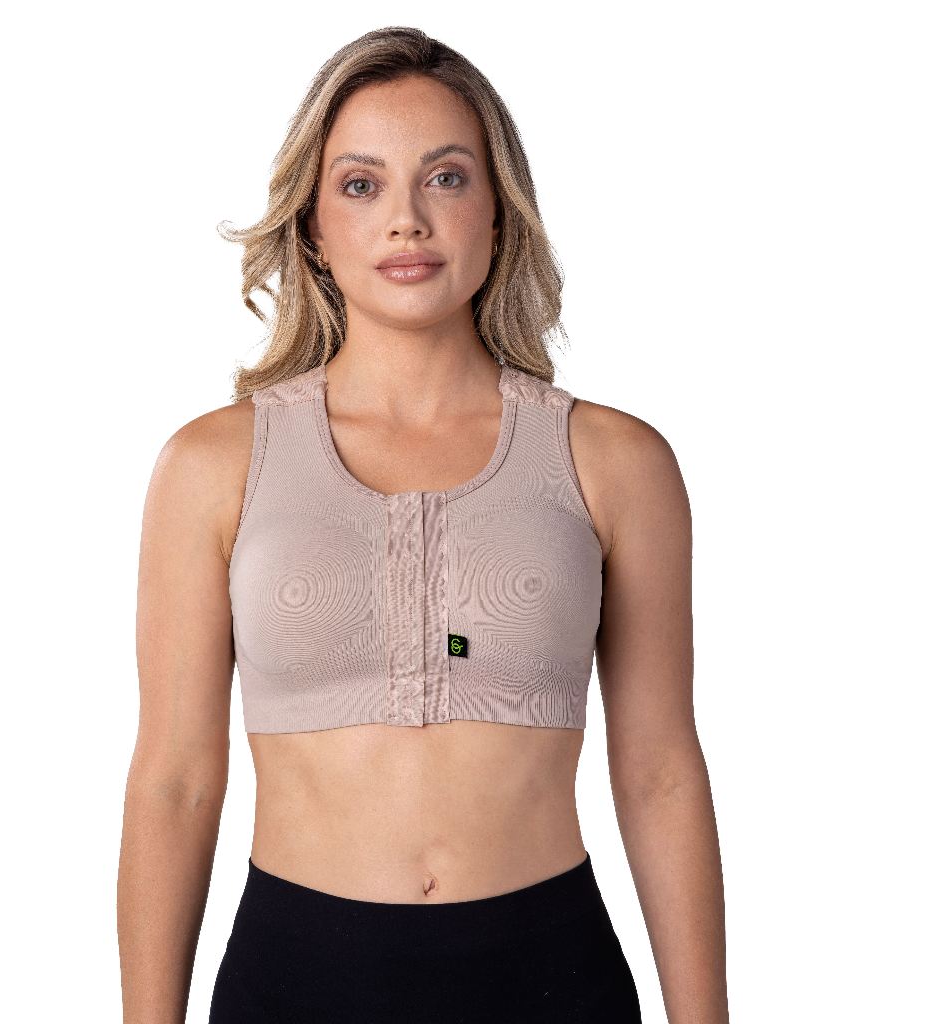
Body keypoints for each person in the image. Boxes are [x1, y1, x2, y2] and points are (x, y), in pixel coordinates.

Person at [117, 25, 729, 1024]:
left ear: (498, 211)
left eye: (446, 178)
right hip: (295, 984)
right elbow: (174, 780)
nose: (406, 219)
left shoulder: (616, 462)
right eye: (361, 185)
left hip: (553, 982)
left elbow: (661, 773)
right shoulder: (213, 466)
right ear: (314, 227)